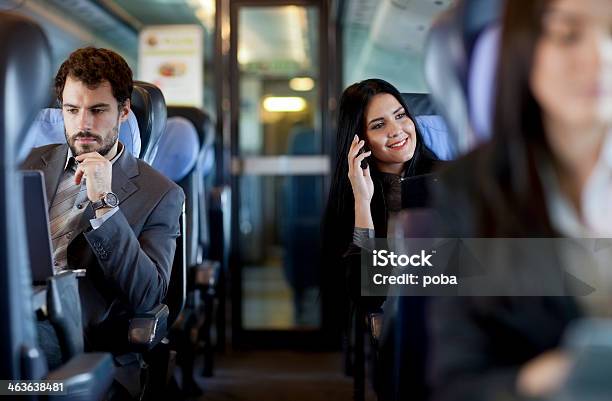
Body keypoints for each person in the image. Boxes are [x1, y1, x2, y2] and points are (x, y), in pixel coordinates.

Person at [428, 0, 612, 400]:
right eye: (568, 35)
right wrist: (538, 382)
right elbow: (457, 382)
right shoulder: (471, 190)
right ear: (522, 50)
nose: (600, 56)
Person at [21, 47, 184, 399]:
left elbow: (147, 295)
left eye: (97, 110)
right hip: (16, 311)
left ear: (124, 111)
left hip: (83, 342)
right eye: (72, 110)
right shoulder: (26, 164)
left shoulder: (160, 193)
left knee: (19, 374)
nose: (83, 124)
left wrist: (104, 204)